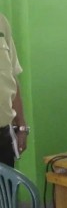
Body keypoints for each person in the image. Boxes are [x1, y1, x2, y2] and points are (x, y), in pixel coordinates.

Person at [0, 13, 28, 168]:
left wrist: (22, 127)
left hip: (3, 136)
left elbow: (11, 78)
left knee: (6, 184)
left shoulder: (1, 21)